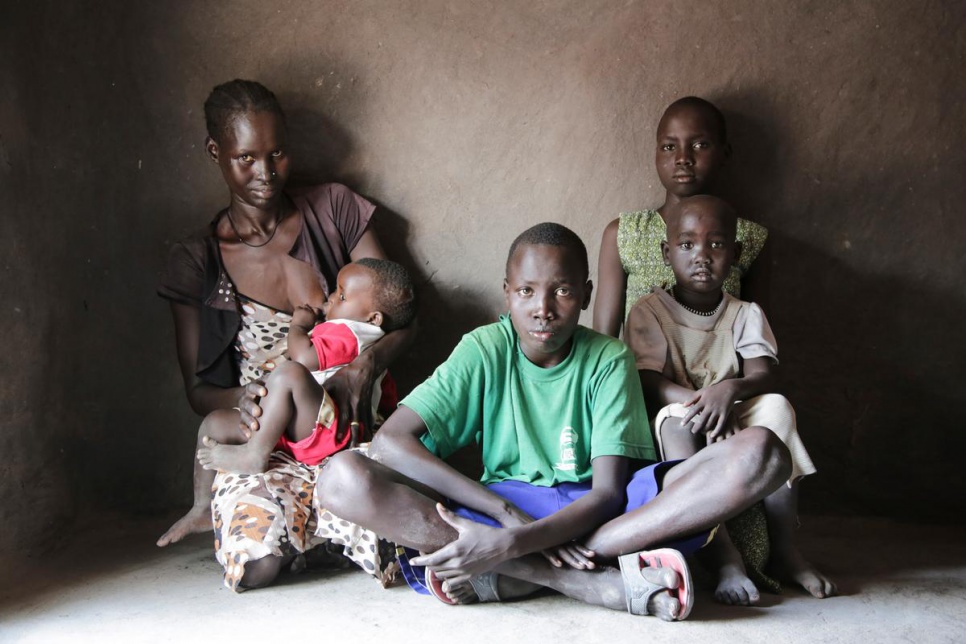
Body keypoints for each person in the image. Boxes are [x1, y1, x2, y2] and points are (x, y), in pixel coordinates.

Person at [316, 223, 791, 621]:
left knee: (762, 452)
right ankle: (584, 581)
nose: (542, 308)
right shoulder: (484, 349)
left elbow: (607, 493)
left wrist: (513, 543)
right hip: (504, 502)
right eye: (526, 291)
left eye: (562, 291)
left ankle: (507, 571)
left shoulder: (608, 358)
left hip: (602, 514)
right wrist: (505, 517)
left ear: (585, 295)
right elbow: (392, 441)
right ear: (507, 294)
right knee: (341, 480)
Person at [156, 79, 414, 591]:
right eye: (246, 158)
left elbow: (400, 314)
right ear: (216, 152)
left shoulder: (334, 209)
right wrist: (247, 397)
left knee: (391, 547)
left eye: (276, 154)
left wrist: (366, 364)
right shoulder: (198, 261)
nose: (265, 174)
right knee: (257, 565)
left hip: (341, 427)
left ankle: (325, 531)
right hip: (263, 436)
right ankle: (296, 534)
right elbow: (199, 390)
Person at [624, 194, 836, 602]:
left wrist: (727, 394)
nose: (701, 256)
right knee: (676, 420)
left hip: (731, 406)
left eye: (716, 244)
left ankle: (785, 550)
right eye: (687, 245)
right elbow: (647, 378)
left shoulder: (744, 313)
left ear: (736, 253)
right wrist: (703, 405)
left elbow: (763, 374)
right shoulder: (649, 310)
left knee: (776, 407)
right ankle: (722, 555)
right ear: (667, 254)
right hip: (677, 406)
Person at [194, 257, 415, 477]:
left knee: (290, 373)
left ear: (374, 318)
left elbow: (302, 358)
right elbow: (387, 398)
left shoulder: (352, 333)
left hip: (327, 431)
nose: (330, 299)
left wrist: (299, 325)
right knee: (214, 424)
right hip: (304, 425)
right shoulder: (366, 340)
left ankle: (254, 455)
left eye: (342, 296)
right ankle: (201, 507)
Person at [593, 96, 768, 338]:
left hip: (720, 374)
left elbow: (758, 339)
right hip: (639, 375)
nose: (683, 158)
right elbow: (604, 341)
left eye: (699, 145)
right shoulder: (625, 234)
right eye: (669, 146)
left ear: (724, 154)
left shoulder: (748, 237)